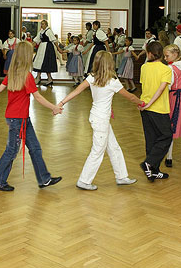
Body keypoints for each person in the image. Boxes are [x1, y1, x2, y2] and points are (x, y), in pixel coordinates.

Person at [0, 41, 62, 191]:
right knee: (11, 150)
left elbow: (0, 88)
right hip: (18, 119)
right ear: (27, 57)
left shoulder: (14, 73)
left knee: (35, 148)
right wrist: (54, 107)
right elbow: (38, 97)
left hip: (20, 118)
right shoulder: (27, 76)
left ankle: (44, 179)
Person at [59, 52, 141, 190]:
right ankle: (84, 180)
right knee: (97, 151)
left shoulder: (92, 77)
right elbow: (131, 97)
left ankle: (121, 176)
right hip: (101, 120)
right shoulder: (112, 81)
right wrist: (142, 103)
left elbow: (77, 91)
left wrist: (62, 102)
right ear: (110, 63)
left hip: (98, 117)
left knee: (114, 147)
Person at [136, 41, 173, 182]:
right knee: (166, 136)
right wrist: (149, 104)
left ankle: (153, 171)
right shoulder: (166, 69)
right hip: (158, 108)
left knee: (151, 139)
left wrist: (144, 104)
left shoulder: (144, 67)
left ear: (150, 53)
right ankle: (149, 163)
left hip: (145, 107)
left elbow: (145, 87)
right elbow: (160, 89)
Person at [33, 20, 58, 86]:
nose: (42, 25)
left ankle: (49, 78)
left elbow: (54, 40)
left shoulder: (49, 31)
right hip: (41, 48)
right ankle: (38, 77)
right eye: (41, 24)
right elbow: (36, 40)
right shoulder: (41, 32)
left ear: (46, 24)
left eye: (43, 24)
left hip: (48, 48)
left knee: (46, 63)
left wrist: (58, 48)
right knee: (39, 63)